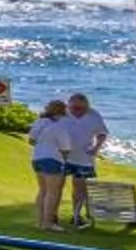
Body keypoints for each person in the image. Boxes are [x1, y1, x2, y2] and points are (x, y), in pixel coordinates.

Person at [60, 92, 112, 227]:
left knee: (80, 188)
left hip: (84, 158)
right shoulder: (62, 114)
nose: (79, 111)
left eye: (82, 109)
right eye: (75, 108)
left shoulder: (93, 115)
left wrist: (96, 148)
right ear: (69, 105)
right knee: (56, 186)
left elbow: (102, 133)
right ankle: (51, 215)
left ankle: (77, 215)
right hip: (63, 157)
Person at [27, 97, 74, 231]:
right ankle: (48, 223)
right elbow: (66, 148)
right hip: (52, 159)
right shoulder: (59, 127)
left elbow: (31, 140)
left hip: (37, 158)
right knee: (52, 192)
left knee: (42, 190)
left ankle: (39, 221)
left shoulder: (39, 122)